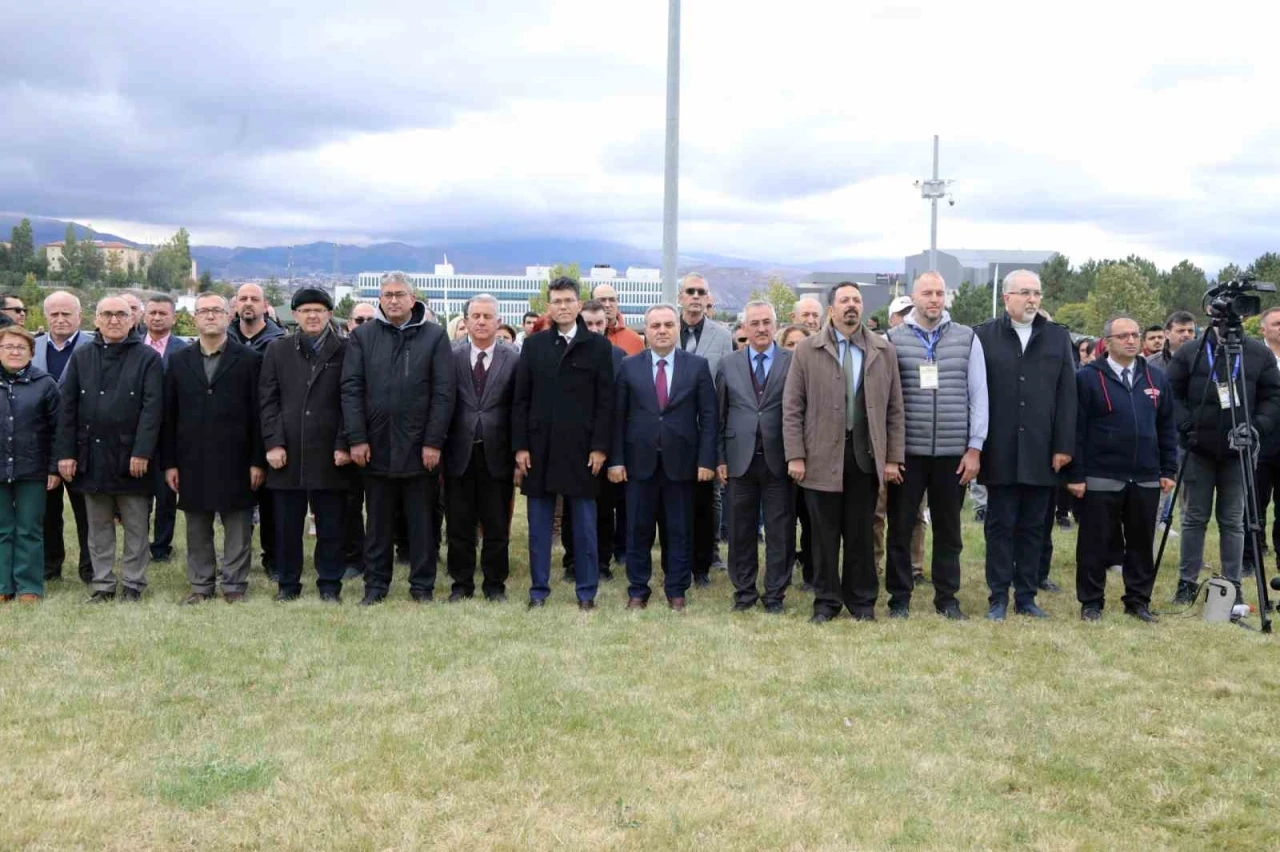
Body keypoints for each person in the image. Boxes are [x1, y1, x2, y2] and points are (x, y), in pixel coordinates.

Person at [783, 281, 905, 623]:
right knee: (823, 535)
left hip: (865, 457)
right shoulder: (807, 350)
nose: (851, 305)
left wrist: (893, 458)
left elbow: (895, 408)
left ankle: (862, 601)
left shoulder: (883, 349)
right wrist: (795, 454)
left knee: (860, 533)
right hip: (820, 457)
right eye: (844, 300)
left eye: (857, 300)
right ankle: (826, 601)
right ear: (831, 309)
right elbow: (792, 407)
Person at [341, 272, 454, 605]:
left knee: (422, 523)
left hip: (420, 449)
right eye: (387, 294)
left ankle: (422, 586)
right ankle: (375, 586)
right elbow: (351, 389)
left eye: (399, 294)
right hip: (375, 446)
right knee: (377, 524)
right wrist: (356, 438)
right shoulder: (363, 336)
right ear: (380, 298)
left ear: (412, 298)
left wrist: (433, 441)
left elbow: (444, 392)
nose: (393, 300)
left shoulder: (434, 336)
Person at [972, 270, 1076, 620]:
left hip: (1041, 451)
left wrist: (1063, 446)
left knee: (1034, 528)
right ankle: (998, 596)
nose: (1033, 299)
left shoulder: (1057, 337)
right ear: (1007, 298)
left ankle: (1027, 596)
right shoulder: (983, 336)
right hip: (999, 449)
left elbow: (1067, 395)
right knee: (999, 527)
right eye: (1025, 293)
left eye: (1037, 293)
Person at [884, 272, 988, 620]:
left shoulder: (967, 338)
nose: (934, 299)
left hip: (952, 454)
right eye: (927, 293)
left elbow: (979, 395)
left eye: (939, 293)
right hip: (907, 453)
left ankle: (947, 598)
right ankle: (899, 598)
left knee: (949, 531)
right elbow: (885, 399)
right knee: (900, 528)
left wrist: (974, 448)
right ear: (914, 297)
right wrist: (890, 454)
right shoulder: (893, 339)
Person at [513, 276, 614, 610]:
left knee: (584, 527)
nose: (563, 306)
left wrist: (600, 447)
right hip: (539, 449)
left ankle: (586, 593)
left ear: (579, 304)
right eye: (557, 301)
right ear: (549, 307)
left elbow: (605, 402)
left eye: (569, 300)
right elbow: (521, 399)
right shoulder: (534, 345)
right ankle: (538, 591)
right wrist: (521, 446)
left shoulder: (598, 346)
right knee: (539, 527)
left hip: (582, 450)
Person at [1067, 315, 1176, 623]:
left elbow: (1167, 426)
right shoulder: (1087, 378)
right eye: (1123, 335)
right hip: (1101, 475)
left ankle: (1138, 601)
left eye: (1135, 335)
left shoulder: (1156, 378)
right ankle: (1091, 602)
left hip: (1145, 475)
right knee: (1094, 542)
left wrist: (1168, 468)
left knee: (1141, 541)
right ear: (1107, 342)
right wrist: (1076, 474)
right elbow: (1076, 429)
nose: (1131, 340)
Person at [56, 296, 164, 603]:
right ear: (96, 319)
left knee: (136, 526)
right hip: (92, 456)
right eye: (107, 314)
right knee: (98, 526)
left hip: (132, 458)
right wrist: (66, 453)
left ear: (132, 320)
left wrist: (142, 452)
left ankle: (133, 583)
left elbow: (152, 409)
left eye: (121, 314)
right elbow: (68, 408)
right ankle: (102, 583)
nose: (114, 320)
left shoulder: (147, 358)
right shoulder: (82, 356)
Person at [1166, 314, 1280, 605]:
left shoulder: (1259, 353)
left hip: (1238, 450)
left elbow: (1273, 396)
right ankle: (1187, 583)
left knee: (1232, 520)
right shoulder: (1190, 351)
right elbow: (1171, 394)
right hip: (1197, 448)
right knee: (1194, 518)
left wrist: (1256, 427)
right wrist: (1186, 424)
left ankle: (1232, 584)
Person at [610, 304, 716, 610]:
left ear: (677, 329)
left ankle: (676, 590)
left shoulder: (697, 366)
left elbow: (709, 417)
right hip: (638, 463)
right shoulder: (629, 366)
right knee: (637, 530)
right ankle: (637, 590)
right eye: (655, 325)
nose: (662, 330)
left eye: (668, 324)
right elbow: (617, 417)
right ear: (645, 330)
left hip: (682, 464)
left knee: (679, 530)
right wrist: (616, 460)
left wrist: (706, 460)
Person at [162, 294, 266, 604]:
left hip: (237, 457)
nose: (210, 316)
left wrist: (257, 460)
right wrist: (170, 462)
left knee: (238, 524)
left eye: (216, 311)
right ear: (194, 318)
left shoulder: (249, 360)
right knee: (197, 524)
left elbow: (259, 415)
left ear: (228, 315)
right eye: (203, 311)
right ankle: (201, 584)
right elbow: (169, 415)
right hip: (191, 457)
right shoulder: (178, 360)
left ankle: (234, 585)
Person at [260, 288, 352, 602]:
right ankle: (288, 584)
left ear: (329, 314)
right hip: (288, 451)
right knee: (287, 525)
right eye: (305, 310)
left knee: (331, 525)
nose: (312, 316)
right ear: (295, 315)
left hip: (331, 451)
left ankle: (329, 585)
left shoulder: (346, 349)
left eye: (319, 310)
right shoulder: (278, 349)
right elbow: (268, 401)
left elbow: (351, 399)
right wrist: (274, 443)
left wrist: (344, 442)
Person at [717, 300, 794, 613]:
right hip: (739, 459)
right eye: (755, 323)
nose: (761, 328)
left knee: (780, 532)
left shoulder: (793, 361)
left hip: (780, 459)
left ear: (776, 325)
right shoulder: (728, 364)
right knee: (740, 531)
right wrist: (720, 458)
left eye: (766, 322)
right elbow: (720, 415)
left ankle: (775, 595)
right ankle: (744, 593)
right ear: (744, 328)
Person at [443, 294, 518, 603]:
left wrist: (519, 452)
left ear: (498, 321)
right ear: (466, 321)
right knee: (459, 525)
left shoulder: (514, 358)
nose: (482, 321)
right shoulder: (450, 356)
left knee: (496, 525)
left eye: (488, 316)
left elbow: (519, 408)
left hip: (497, 453)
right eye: (476, 316)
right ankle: (461, 584)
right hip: (458, 453)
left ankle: (494, 585)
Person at [561, 300, 625, 580]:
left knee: (605, 507)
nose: (595, 328)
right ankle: (573, 561)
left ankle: (601, 562)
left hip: (607, 445)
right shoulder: (567, 354)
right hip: (573, 445)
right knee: (572, 506)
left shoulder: (620, 357)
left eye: (600, 323)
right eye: (589, 324)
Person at [676, 273, 732, 584]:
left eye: (701, 292)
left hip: (706, 429)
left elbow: (723, 387)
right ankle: (678, 556)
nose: (696, 297)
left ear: (708, 298)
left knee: (708, 497)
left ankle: (708, 556)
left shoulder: (722, 337)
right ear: (680, 297)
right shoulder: (666, 329)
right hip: (672, 430)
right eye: (690, 291)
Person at [34, 291, 93, 583]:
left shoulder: (95, 346)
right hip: (40, 444)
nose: (60, 319)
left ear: (79, 317)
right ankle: (49, 566)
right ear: (46, 316)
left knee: (87, 513)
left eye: (66, 314)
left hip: (83, 444)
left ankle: (90, 568)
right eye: (54, 314)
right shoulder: (30, 347)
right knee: (47, 512)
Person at [228, 283, 286, 578]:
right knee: (235, 501)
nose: (248, 303)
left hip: (269, 429)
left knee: (271, 501)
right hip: (233, 433)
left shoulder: (281, 342)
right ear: (235, 305)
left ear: (265, 306)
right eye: (243, 298)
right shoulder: (223, 340)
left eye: (254, 298)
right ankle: (235, 558)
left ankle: (273, 558)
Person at [0, 327, 61, 604]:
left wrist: (53, 468)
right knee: (2, 528)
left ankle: (29, 587)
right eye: (8, 346)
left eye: (21, 347)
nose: (15, 352)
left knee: (29, 528)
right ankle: (4, 585)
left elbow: (58, 430)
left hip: (33, 468)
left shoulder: (45, 384)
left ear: (31, 353)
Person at [141, 294, 189, 563]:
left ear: (174, 317)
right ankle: (138, 542)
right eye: (152, 312)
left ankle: (161, 546)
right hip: (137, 432)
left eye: (163, 313)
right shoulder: (132, 346)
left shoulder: (184, 351)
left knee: (166, 494)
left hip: (170, 432)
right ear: (144, 316)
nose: (157, 317)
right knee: (137, 494)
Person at [340, 302, 377, 575]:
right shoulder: (338, 352)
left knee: (379, 507)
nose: (364, 325)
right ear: (349, 324)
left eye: (370, 320)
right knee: (349, 503)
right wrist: (345, 441)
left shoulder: (384, 350)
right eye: (359, 319)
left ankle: (376, 557)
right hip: (347, 437)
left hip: (380, 438)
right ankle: (353, 557)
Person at [1247, 306, 1280, 575]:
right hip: (1262, 438)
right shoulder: (1254, 357)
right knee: (1255, 501)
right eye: (1277, 324)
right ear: (1263, 329)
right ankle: (1252, 556)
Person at [591, 283, 644, 355]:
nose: (607, 305)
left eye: (612, 300)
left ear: (617, 302)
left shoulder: (635, 340)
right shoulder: (581, 337)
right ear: (591, 303)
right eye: (602, 300)